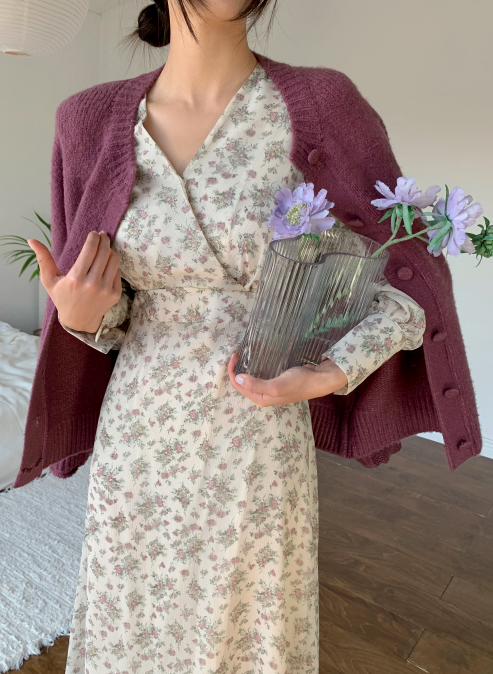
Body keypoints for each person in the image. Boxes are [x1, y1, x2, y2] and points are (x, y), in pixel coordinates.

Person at [22, 0, 480, 670]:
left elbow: (408, 281)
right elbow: (105, 314)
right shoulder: (86, 120)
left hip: (256, 441)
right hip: (138, 440)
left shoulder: (322, 106)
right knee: (132, 623)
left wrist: (333, 369)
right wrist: (81, 317)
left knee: (245, 635)